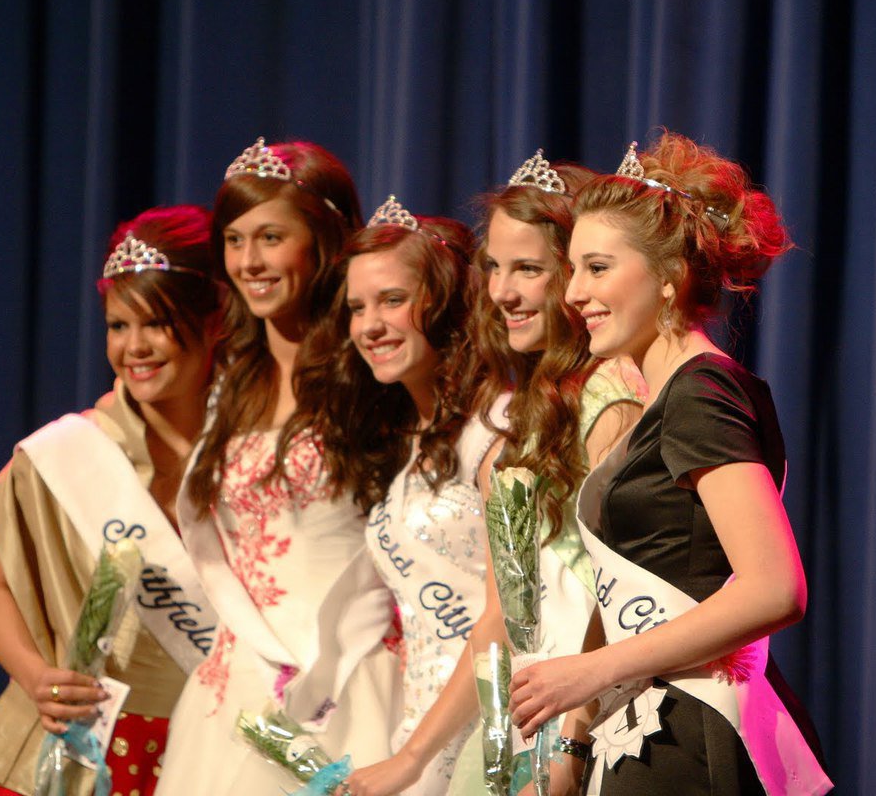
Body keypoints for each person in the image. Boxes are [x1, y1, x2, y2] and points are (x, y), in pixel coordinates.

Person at [509, 132, 832, 794]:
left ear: (668, 278)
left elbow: (775, 586)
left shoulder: (700, 393)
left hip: (692, 733)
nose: (573, 293)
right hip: (650, 724)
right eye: (572, 269)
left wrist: (589, 673)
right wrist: (578, 723)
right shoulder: (668, 397)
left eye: (597, 268)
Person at [341, 153, 643, 796]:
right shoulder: (532, 417)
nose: (503, 291)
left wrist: (572, 743)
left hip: (589, 717)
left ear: (576, 270)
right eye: (494, 268)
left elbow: (609, 595)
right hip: (521, 712)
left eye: (528, 268)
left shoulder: (611, 397)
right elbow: (503, 612)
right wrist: (415, 757)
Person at [156, 138, 401, 794]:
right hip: (237, 683)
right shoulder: (234, 379)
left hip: (347, 670)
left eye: (270, 237)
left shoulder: (368, 370)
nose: (248, 261)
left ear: (320, 242)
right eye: (234, 240)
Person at [0, 205, 226, 796]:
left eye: (156, 322)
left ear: (217, 320)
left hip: (210, 750)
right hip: (78, 741)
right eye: (117, 326)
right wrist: (37, 679)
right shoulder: (67, 455)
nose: (135, 348)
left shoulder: (259, 452)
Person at [294, 194, 491, 795]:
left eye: (393, 301)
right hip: (420, 723)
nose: (369, 325)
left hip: (489, 724)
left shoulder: (497, 429)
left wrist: (414, 756)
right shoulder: (409, 442)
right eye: (356, 308)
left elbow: (511, 617)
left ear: (447, 304)